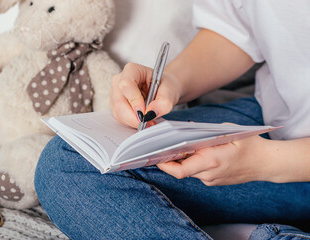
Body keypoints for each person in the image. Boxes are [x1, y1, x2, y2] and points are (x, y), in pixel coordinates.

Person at [34, 1, 310, 239]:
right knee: (67, 164)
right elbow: (238, 28)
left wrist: (266, 162)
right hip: (276, 117)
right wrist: (170, 82)